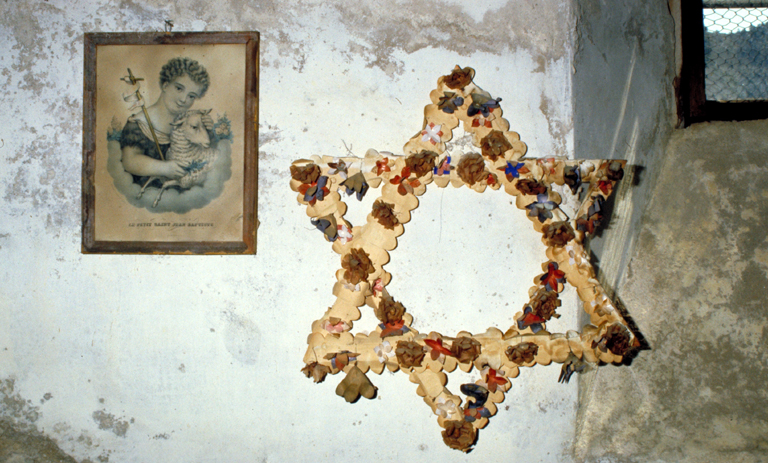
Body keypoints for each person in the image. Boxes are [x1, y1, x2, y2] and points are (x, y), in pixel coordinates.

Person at [120, 57, 211, 186]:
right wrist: (164, 168)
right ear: (165, 85)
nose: (184, 99)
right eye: (179, 89)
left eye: (191, 96)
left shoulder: (189, 122)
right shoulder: (138, 124)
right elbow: (129, 161)